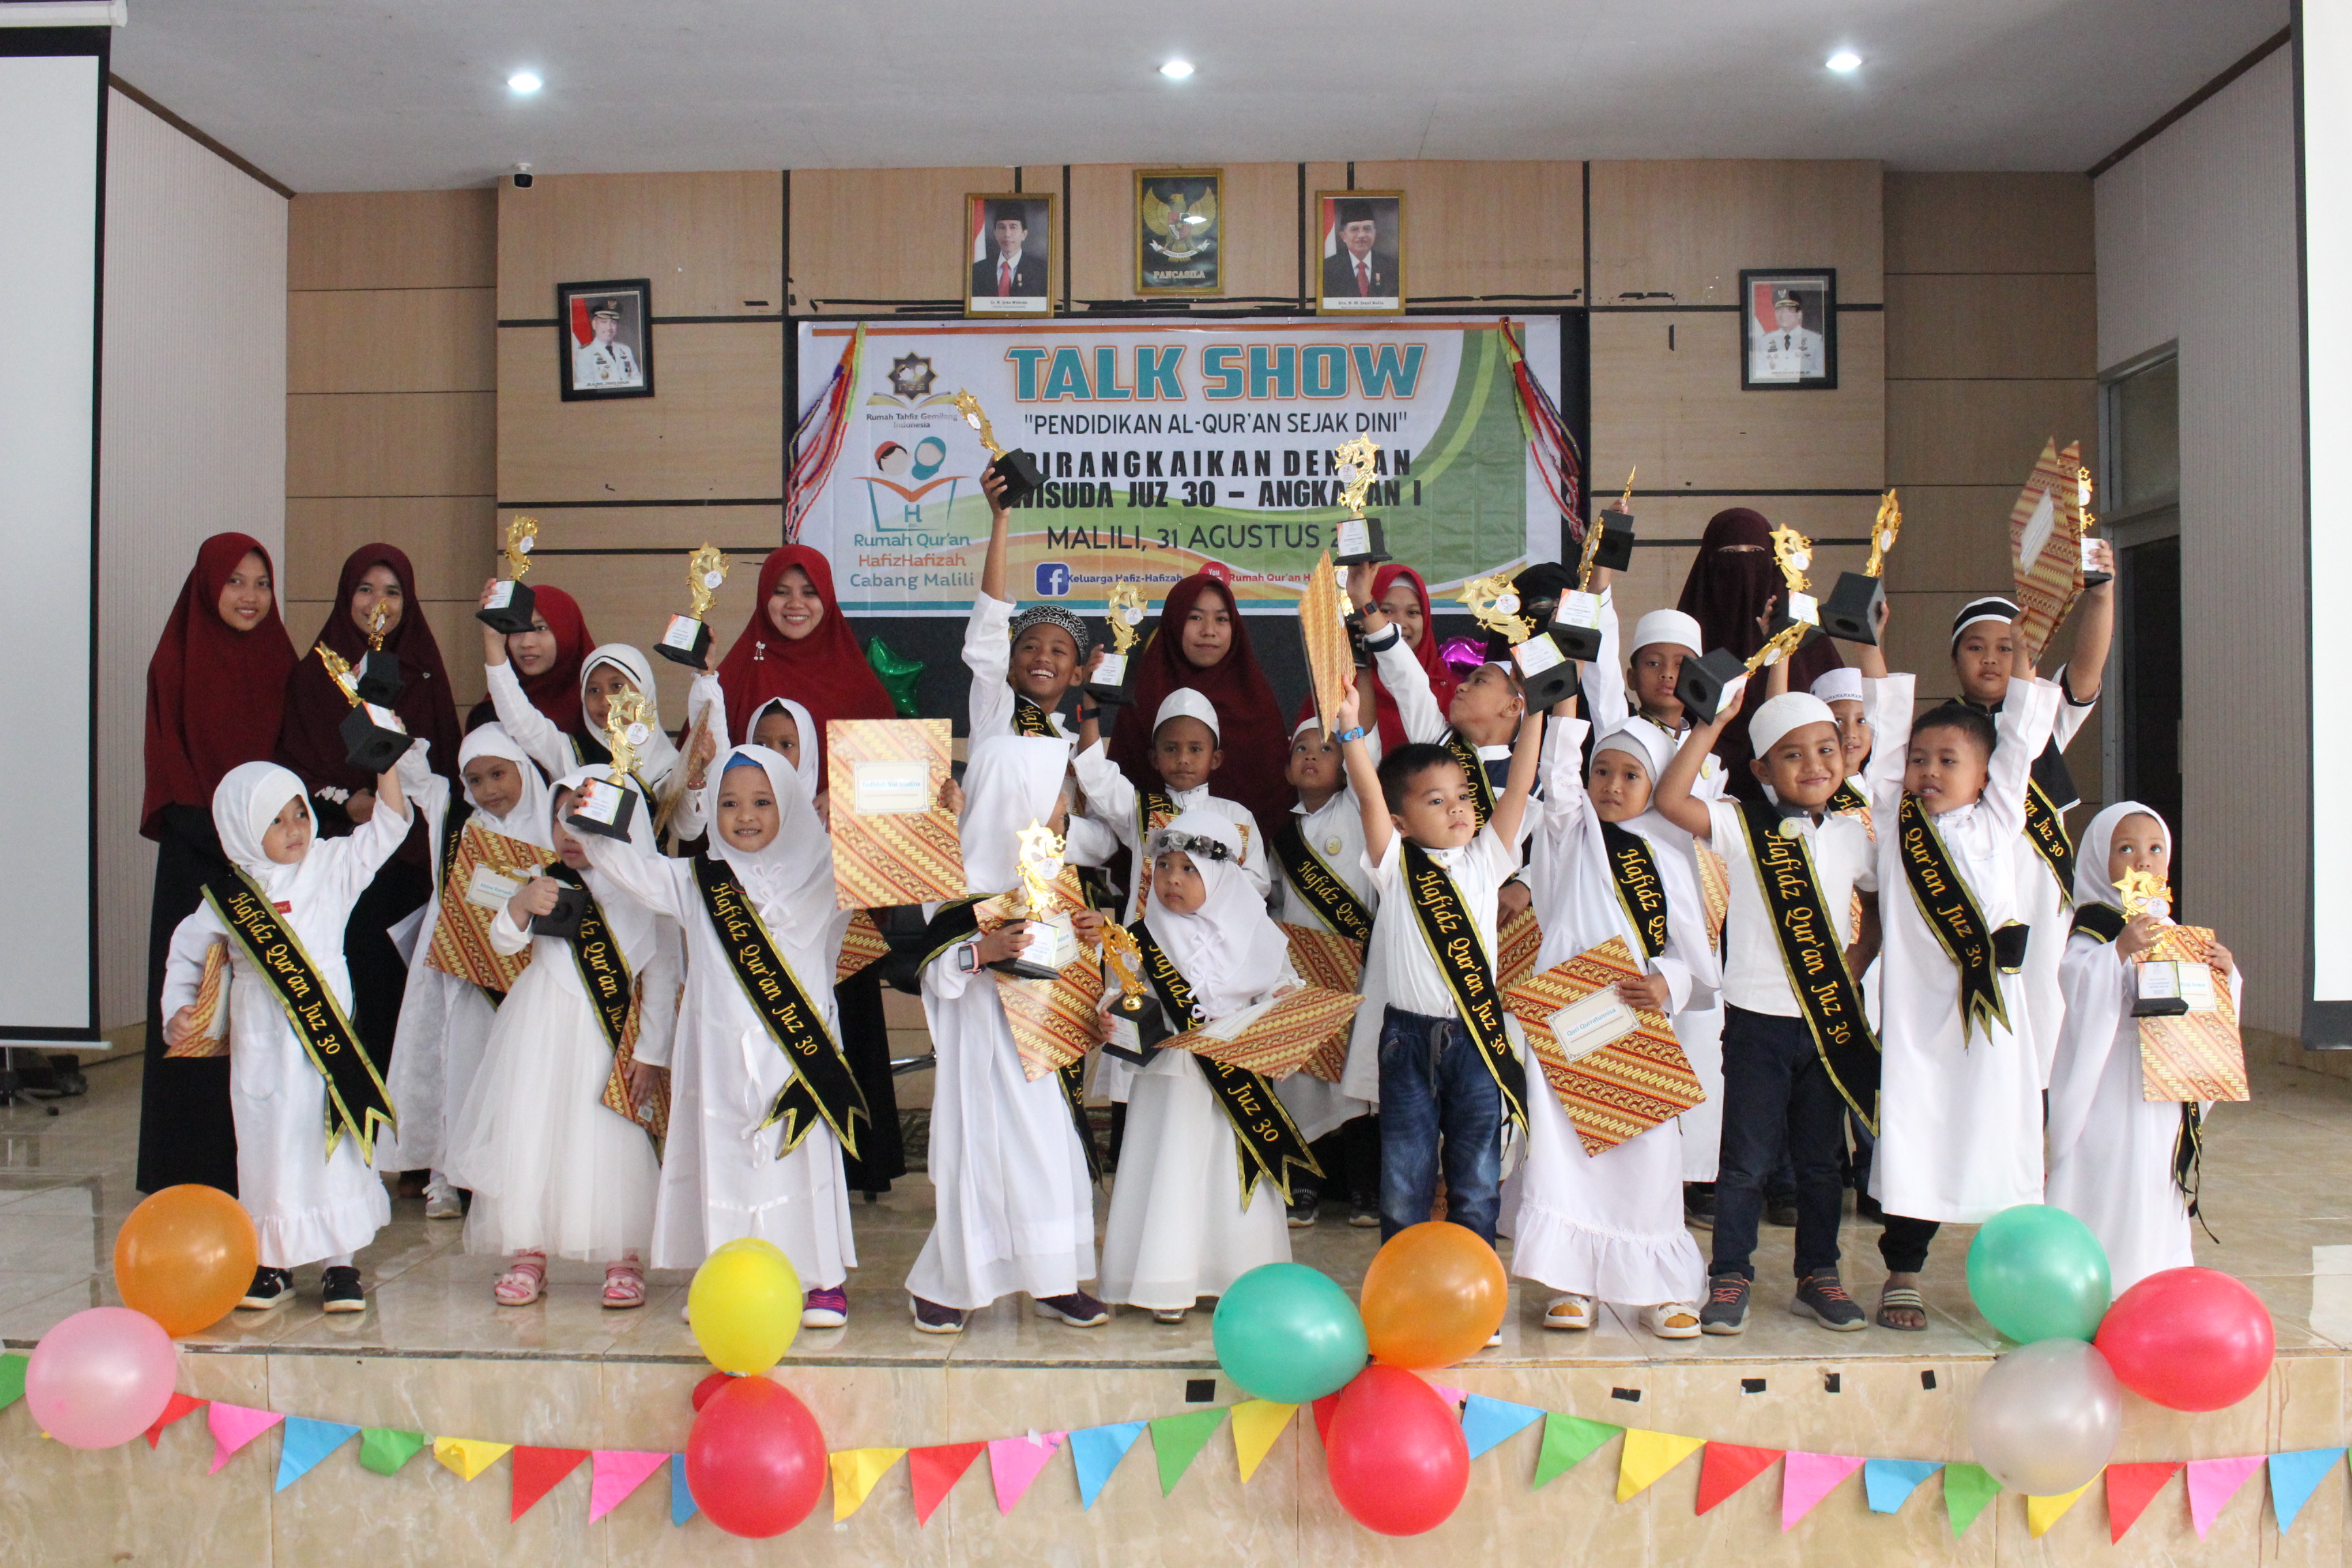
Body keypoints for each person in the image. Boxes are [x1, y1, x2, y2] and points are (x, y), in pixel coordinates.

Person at [581, 745, 864, 1327]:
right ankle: (725, 1279)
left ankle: (819, 1280)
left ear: (790, 804)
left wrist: (932, 808)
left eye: (763, 802)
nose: (745, 815)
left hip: (797, 1058)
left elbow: (906, 866)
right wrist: (592, 812)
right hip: (717, 1058)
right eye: (729, 804)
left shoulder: (829, 873)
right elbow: (629, 867)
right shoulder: (695, 880)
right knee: (724, 1162)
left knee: (800, 1158)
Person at [1653, 684, 1879, 1335]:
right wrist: (1713, 723)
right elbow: (1671, 801)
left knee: (1821, 1163)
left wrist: (1861, 954)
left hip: (1827, 1020)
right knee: (1746, 1162)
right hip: (1756, 1021)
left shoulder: (1853, 834)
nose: (1814, 765)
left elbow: (1874, 902)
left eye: (1826, 750)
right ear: (1761, 769)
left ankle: (1819, 1274)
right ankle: (1730, 1274)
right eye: (1792, 754)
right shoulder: (1740, 822)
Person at [159, 757, 416, 1312]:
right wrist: (179, 1008)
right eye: (274, 821)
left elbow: (391, 825)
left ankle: (340, 1264)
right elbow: (186, 956)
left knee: (332, 1147)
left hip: (326, 1046)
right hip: (262, 1045)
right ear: (241, 830)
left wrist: (386, 764)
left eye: (299, 812)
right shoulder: (227, 898)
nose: (295, 829)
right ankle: (270, 1263)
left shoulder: (331, 865)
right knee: (267, 1151)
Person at [1861, 638, 2061, 1330]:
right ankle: (1903, 1272)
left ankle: (2024, 1272)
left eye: (1949, 761)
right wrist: (1871, 647)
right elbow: (1887, 733)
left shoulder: (1999, 823)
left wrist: (2028, 657)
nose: (1929, 771)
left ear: (1983, 777)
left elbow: (2021, 744)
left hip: (1993, 1025)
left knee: (2002, 1136)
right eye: (1921, 760)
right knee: (1917, 1141)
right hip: (1919, 1027)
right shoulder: (1896, 827)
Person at [1508, 714, 1716, 1338]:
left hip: (1635, 1018)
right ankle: (1571, 1283)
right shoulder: (1573, 833)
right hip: (1570, 1012)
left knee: (1648, 1159)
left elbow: (1691, 954)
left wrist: (1667, 983)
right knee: (1566, 1155)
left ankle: (1664, 1286)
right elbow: (1559, 780)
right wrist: (1563, 697)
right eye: (1602, 771)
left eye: (1631, 775)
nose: (1612, 785)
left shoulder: (1672, 854)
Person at [710, 545, 907, 1196]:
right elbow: (706, 770)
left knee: (847, 1008)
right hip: (757, 884)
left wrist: (844, 795)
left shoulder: (857, 681)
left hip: (839, 880)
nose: (795, 605)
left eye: (809, 592)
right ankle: (762, 1157)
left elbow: (898, 776)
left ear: (829, 599)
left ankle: (857, 1162)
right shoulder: (737, 675)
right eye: (782, 591)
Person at [1334, 678, 1544, 1270]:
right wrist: (1350, 729)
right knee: (1406, 1175)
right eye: (1435, 800)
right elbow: (1370, 796)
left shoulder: (1487, 859)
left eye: (1462, 796)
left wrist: (1535, 713)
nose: (1456, 808)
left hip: (1477, 1040)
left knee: (1476, 1177)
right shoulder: (1395, 866)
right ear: (1401, 822)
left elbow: (1520, 787)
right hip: (1407, 1041)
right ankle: (1402, 1288)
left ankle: (1475, 1287)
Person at [905, 736, 1111, 1334]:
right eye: (1054, 805)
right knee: (982, 1169)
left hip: (1041, 1058)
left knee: (1048, 1162)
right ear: (1017, 802)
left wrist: (1091, 938)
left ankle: (1054, 1281)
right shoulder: (956, 882)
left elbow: (1069, 971)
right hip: (984, 1059)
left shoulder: (1051, 878)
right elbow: (933, 973)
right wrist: (983, 951)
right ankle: (945, 1287)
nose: (1062, 817)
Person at [448, 766, 672, 1310]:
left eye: (584, 820)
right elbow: (504, 943)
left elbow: (664, 977)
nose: (569, 833)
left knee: (611, 1140)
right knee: (533, 1133)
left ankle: (623, 1258)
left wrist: (652, 1053)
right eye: (560, 818)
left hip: (611, 1041)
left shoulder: (648, 893)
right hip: (540, 1033)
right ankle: (529, 1253)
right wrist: (520, 906)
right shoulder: (542, 876)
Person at [1098, 813, 1314, 1322]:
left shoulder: (1257, 932)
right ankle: (1166, 1282)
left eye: (1188, 870)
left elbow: (1282, 987)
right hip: (1171, 1079)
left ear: (1219, 876)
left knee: (1230, 1178)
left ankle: (1234, 1276)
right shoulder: (1141, 936)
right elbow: (1121, 992)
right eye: (1164, 867)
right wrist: (1113, 1013)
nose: (1172, 880)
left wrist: (1283, 1006)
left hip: (1239, 1079)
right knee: (1172, 1168)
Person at [137, 533, 296, 1196]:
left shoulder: (283, 662)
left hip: (270, 862)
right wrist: (221, 835)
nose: (250, 596)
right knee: (196, 1006)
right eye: (235, 581)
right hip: (198, 857)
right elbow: (169, 764)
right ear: (207, 586)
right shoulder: (175, 660)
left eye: (262, 583)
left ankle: (258, 1166)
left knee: (267, 1013)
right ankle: (185, 1168)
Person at [275, 544, 461, 1099]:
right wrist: (344, 802)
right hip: (340, 861)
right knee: (354, 994)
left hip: (411, 867)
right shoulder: (315, 675)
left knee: (408, 1004)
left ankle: (406, 1130)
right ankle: (353, 1121)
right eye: (365, 589)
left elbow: (450, 764)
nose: (378, 603)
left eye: (392, 592)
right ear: (345, 595)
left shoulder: (422, 671)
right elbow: (295, 768)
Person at [2046, 804, 2239, 1294]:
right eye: (2126, 848)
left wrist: (2224, 973)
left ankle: (2153, 1281)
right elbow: (2077, 981)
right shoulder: (2095, 924)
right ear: (2099, 859)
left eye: (2154, 848)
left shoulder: (2171, 930)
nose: (2142, 860)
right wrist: (2118, 951)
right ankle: (2091, 1282)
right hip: (2110, 1077)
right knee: (2109, 1167)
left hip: (2162, 1083)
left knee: (2154, 1175)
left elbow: (2203, 1010)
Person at [372, 725, 551, 1220]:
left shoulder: (550, 824)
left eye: (498, 774)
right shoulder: (455, 821)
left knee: (518, 1075)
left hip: (524, 976)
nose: (488, 789)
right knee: (462, 1070)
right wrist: (382, 719)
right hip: (465, 979)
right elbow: (414, 773)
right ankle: (448, 1177)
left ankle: (514, 1178)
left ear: (523, 770)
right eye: (475, 780)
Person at [1948, 567, 2114, 1088]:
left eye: (2006, 647)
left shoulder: (2044, 715)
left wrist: (2101, 598)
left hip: (2041, 895)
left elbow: (2086, 670)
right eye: (1976, 647)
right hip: (1971, 890)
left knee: (2042, 1013)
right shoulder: (1939, 734)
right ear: (1954, 659)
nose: (1992, 658)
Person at [1268, 719, 1378, 1228]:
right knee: (1302, 1083)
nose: (1312, 755)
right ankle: (1304, 1186)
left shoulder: (1356, 811)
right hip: (1302, 973)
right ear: (1287, 767)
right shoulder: (1282, 837)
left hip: (1357, 971)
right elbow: (1274, 901)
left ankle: (1366, 1188)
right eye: (1302, 748)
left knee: (1357, 1081)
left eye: (1326, 749)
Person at [1676, 508, 1843, 801]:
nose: (1743, 564)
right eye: (1729, 553)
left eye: (1754, 552)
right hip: (1704, 795)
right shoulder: (1686, 636)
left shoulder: (1803, 637)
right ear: (1709, 562)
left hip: (1800, 790)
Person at [1109, 572, 1294, 828]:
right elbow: (1119, 796)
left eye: (1221, 619)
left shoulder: (1256, 702)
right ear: (1174, 622)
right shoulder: (1145, 699)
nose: (1209, 631)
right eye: (1195, 617)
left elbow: (1276, 801)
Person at [968, 468, 1102, 742]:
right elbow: (991, 622)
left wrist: (1091, 700)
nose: (1043, 657)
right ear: (1009, 664)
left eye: (1058, 650)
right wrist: (1001, 519)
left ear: (1077, 674)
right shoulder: (993, 711)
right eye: (1030, 647)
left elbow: (1093, 770)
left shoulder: (1071, 744)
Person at [1339, 561, 1458, 756]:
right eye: (1386, 611)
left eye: (1413, 613)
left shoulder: (1452, 694)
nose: (1400, 623)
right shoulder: (1341, 687)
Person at [464, 585, 592, 734]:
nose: (526, 643)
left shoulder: (600, 706)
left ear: (569, 631)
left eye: (540, 629)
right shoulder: (492, 714)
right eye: (516, 629)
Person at [1322, 199, 1395, 300]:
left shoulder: (1392, 267)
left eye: (1367, 229)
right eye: (1354, 229)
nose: (1361, 235)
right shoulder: (1328, 269)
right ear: (1343, 236)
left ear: (1375, 233)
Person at [970, 203, 1046, 299]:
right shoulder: (978, 271)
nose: (1007, 234)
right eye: (1002, 227)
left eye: (1013, 227)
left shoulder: (1041, 271)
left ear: (1024, 234)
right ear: (995, 233)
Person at [1750, 290, 1825, 382]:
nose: (1783, 314)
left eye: (1789, 310)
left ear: (1799, 314)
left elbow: (1821, 376)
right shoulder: (1763, 342)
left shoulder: (1815, 341)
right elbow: (1759, 376)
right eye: (1779, 310)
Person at [573, 302, 642, 389]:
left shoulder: (626, 350)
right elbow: (586, 388)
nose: (609, 328)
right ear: (594, 324)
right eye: (604, 322)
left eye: (613, 322)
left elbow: (638, 381)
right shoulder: (584, 353)